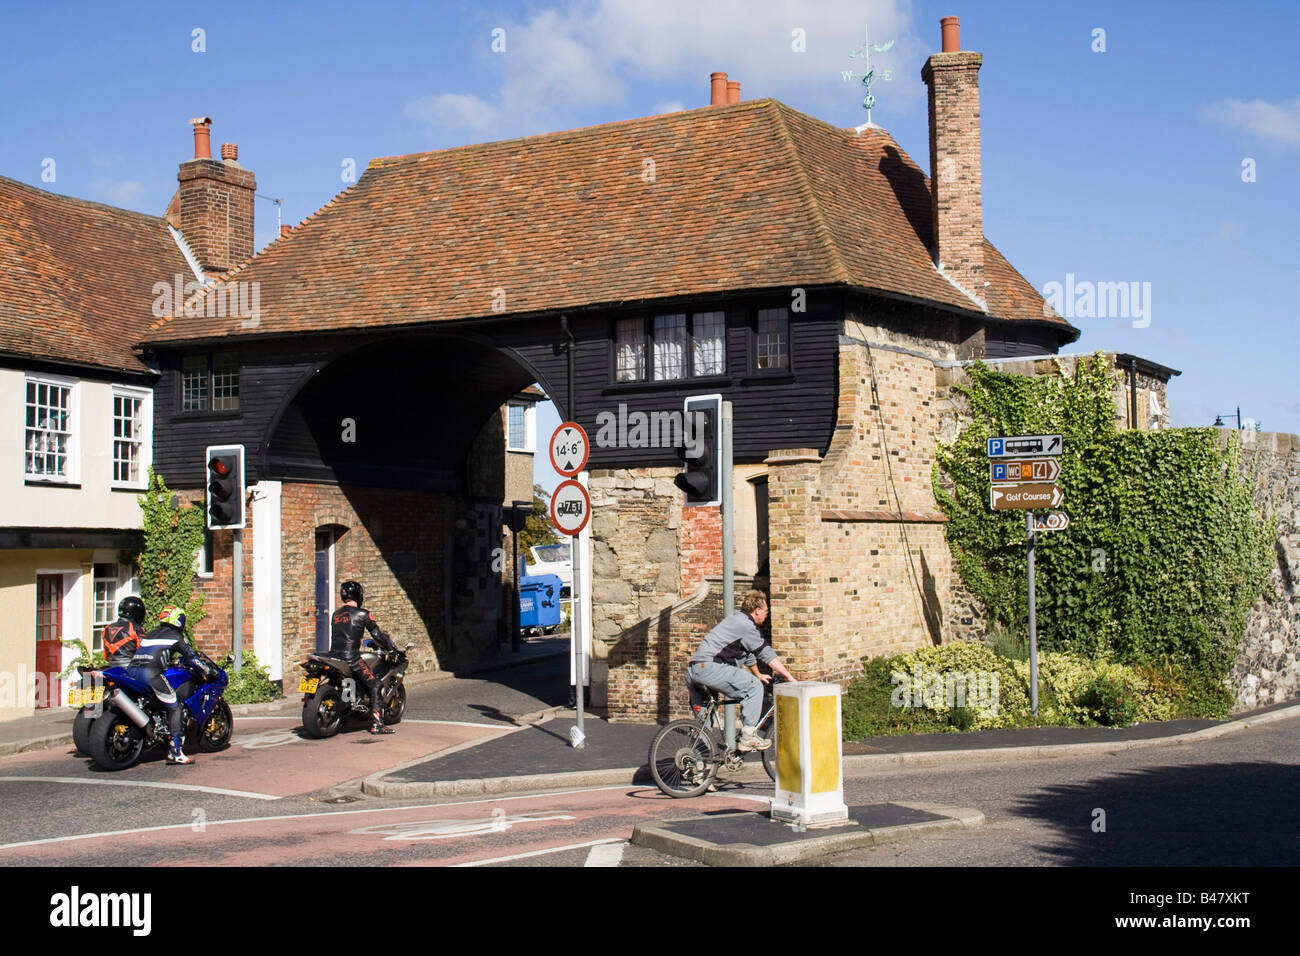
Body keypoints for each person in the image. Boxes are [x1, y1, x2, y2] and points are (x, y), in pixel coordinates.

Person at [687, 590, 796, 751]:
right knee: (754, 687)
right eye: (766, 611)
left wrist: (757, 674)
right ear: (757, 610)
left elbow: (748, 653)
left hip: (695, 670)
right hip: (710, 667)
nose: (766, 615)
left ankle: (699, 768)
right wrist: (790, 677)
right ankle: (748, 736)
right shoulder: (746, 625)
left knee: (704, 725)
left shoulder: (736, 620)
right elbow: (766, 654)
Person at [127, 605, 212, 765]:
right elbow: (192, 658)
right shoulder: (175, 636)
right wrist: (208, 671)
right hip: (150, 674)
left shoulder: (151, 634)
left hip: (132, 671)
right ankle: (176, 751)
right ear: (180, 621)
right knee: (175, 706)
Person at [329, 581, 398, 734]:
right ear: (359, 595)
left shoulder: (336, 615)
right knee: (375, 684)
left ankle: (346, 713)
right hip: (351, 657)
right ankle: (377, 724)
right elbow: (377, 634)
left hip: (334, 656)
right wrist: (391, 648)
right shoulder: (363, 614)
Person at [101, 595, 147, 667]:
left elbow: (106, 656)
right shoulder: (135, 628)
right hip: (130, 669)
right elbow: (144, 651)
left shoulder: (107, 628)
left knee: (88, 676)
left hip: (111, 668)